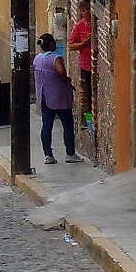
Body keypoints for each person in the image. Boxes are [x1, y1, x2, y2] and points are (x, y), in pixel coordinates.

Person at [33, 32, 79, 164]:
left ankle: (48, 155)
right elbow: (60, 71)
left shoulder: (37, 59)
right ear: (51, 44)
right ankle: (70, 154)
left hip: (44, 98)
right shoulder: (55, 58)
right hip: (60, 98)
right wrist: (67, 80)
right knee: (68, 126)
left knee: (46, 126)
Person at [68, 11, 92, 125]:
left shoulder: (94, 25)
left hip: (92, 64)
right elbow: (71, 45)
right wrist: (83, 44)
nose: (86, 12)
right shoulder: (79, 26)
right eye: (83, 10)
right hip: (86, 66)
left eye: (88, 9)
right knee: (87, 94)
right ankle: (89, 121)